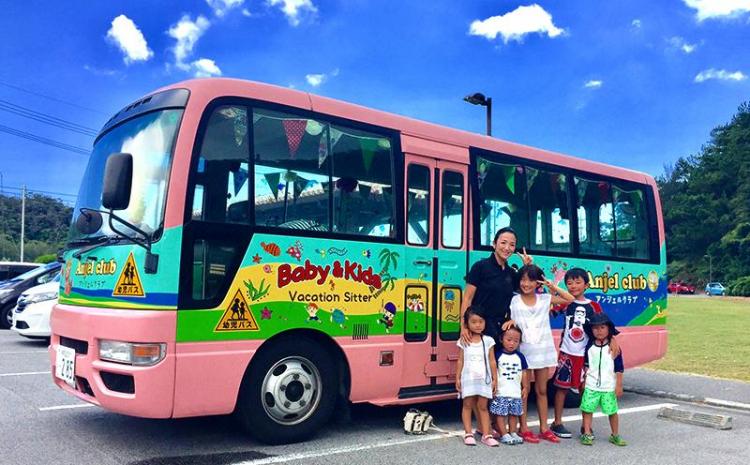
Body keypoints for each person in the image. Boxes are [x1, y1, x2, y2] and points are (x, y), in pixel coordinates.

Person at [502, 264, 574, 444]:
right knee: (524, 392)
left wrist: (550, 285)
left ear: (537, 282)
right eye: (523, 279)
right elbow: (507, 317)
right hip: (524, 353)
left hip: (543, 351)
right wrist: (509, 319)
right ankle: (524, 428)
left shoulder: (545, 299)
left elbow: (569, 298)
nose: (526, 284)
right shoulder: (514, 300)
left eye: (531, 280)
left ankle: (544, 428)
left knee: (542, 391)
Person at [549, 268, 619, 439]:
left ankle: (585, 426)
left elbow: (604, 325)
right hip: (566, 353)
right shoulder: (566, 302)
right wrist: (553, 288)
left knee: (585, 389)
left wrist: (613, 339)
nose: (573, 286)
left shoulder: (593, 306)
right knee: (561, 389)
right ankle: (557, 422)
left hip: (585, 355)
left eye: (578, 282)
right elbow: (551, 310)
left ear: (587, 285)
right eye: (570, 283)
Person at [460, 227, 532, 346]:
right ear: (494, 244)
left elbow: (526, 293)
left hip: (500, 330)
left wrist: (527, 267)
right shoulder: (480, 267)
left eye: (512, 245)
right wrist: (464, 326)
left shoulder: (512, 273)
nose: (507, 248)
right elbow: (467, 298)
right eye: (503, 243)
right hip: (479, 328)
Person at [580, 312, 626, 446]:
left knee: (612, 411)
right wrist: (584, 381)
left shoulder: (614, 347)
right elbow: (586, 365)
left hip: (608, 386)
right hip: (591, 385)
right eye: (595, 328)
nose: (598, 331)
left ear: (608, 329)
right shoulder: (589, 346)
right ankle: (587, 433)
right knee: (587, 409)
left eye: (602, 328)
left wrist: (618, 385)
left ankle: (615, 434)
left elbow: (619, 368)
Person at [455, 306, 499, 447]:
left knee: (483, 406)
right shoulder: (464, 341)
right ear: (467, 324)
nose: (478, 325)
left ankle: (487, 434)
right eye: (474, 322)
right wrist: (457, 378)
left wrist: (495, 378)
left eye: (481, 321)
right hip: (468, 378)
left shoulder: (488, 341)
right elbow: (460, 360)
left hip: (483, 379)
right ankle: (468, 433)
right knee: (467, 405)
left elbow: (492, 361)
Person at [490, 326, 529, 445]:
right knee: (501, 414)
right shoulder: (497, 355)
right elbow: (494, 371)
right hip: (502, 391)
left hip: (515, 391)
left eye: (516, 341)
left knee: (514, 414)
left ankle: (513, 432)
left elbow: (524, 372)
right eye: (509, 340)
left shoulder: (520, 356)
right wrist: (494, 384)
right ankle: (504, 433)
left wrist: (525, 387)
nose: (512, 343)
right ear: (501, 339)